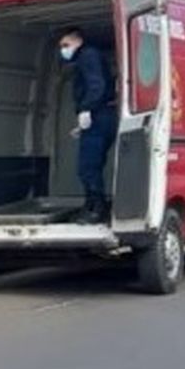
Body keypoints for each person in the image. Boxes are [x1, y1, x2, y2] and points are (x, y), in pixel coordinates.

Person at [58, 27, 118, 224]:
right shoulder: (88, 56)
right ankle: (92, 206)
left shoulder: (88, 55)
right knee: (92, 165)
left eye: (66, 45)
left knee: (88, 167)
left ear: (78, 41)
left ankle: (96, 209)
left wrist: (86, 108)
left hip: (99, 115)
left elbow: (97, 85)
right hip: (101, 116)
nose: (63, 50)